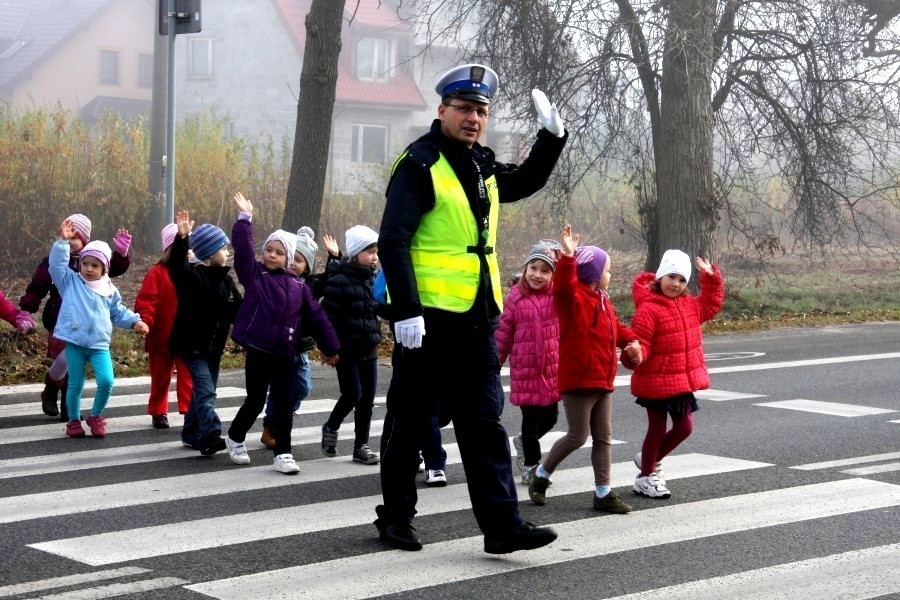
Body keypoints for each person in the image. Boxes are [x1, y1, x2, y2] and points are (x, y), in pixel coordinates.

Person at [375, 63, 567, 554]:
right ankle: (395, 517)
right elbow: (393, 242)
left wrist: (552, 137)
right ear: (442, 111)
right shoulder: (418, 164)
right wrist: (406, 313)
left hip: (477, 317)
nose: (473, 118)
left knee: (483, 422)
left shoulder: (482, 165)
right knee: (410, 421)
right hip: (427, 321)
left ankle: (502, 525)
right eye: (463, 108)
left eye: (481, 110)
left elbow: (522, 182)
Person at [527, 225, 642, 513]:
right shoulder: (573, 299)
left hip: (603, 380)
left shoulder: (604, 301)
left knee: (604, 438)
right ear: (593, 274)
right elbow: (563, 286)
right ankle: (541, 476)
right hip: (578, 380)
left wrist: (632, 341)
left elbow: (616, 328)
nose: (611, 275)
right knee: (577, 436)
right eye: (608, 271)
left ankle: (603, 493)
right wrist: (567, 257)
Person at [225, 193, 339, 474]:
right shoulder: (255, 275)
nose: (272, 255)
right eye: (269, 250)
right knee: (255, 400)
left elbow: (318, 318)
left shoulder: (299, 288)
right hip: (259, 351)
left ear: (288, 258)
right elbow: (241, 250)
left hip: (285, 353)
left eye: (279, 252)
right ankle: (235, 437)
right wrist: (244, 219)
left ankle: (283, 454)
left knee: (285, 405)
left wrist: (331, 347)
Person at [626, 249, 724, 499]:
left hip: (680, 381)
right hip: (655, 380)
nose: (676, 284)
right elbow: (643, 343)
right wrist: (636, 354)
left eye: (682, 280)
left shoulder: (690, 306)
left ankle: (650, 459)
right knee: (656, 429)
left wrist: (711, 278)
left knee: (685, 427)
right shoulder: (649, 308)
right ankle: (645, 477)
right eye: (671, 277)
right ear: (659, 277)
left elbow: (711, 304)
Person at [19, 214, 131, 420]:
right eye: (67, 237)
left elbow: (110, 267)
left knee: (72, 364)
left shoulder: (91, 261)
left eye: (74, 238)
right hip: (59, 319)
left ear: (84, 240)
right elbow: (39, 284)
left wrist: (122, 255)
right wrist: (27, 308)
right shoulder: (55, 259)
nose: (70, 242)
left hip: (85, 324)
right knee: (64, 362)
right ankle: (51, 391)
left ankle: (68, 407)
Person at [48, 223, 148, 438]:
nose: (89, 269)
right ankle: (74, 421)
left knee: (107, 381)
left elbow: (118, 313)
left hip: (99, 345)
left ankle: (96, 416)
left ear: (105, 269)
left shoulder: (109, 290)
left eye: (95, 265)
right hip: (75, 342)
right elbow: (56, 267)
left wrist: (135, 322)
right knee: (75, 383)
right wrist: (62, 243)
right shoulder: (70, 282)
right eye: (85, 263)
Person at [168, 211, 242, 456]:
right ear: (211, 253)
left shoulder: (226, 282)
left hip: (213, 349)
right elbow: (177, 268)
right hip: (191, 346)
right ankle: (210, 434)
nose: (227, 252)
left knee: (204, 389)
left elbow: (239, 312)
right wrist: (182, 240)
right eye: (223, 248)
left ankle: (191, 432)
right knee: (206, 390)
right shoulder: (193, 276)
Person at [495, 239, 562, 485]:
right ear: (525, 269)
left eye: (545, 271)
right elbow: (503, 333)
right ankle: (531, 468)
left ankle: (523, 442)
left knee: (551, 418)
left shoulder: (556, 297)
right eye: (533, 268)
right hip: (526, 371)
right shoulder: (515, 298)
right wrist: (496, 360)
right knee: (530, 420)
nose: (538, 275)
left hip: (552, 369)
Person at [319, 225, 382, 466]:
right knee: (353, 394)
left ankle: (361, 446)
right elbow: (328, 317)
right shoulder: (340, 280)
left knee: (367, 399)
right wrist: (328, 348)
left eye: (376, 251)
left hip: (370, 347)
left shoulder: (374, 278)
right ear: (355, 253)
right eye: (369, 251)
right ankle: (331, 426)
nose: (374, 256)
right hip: (345, 350)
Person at [260, 226, 320, 449]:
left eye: (300, 260)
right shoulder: (279, 281)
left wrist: (334, 257)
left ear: (307, 268)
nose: (294, 263)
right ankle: (271, 426)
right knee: (278, 390)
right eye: (292, 258)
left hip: (301, 348)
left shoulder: (309, 286)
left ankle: (285, 413)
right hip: (281, 349)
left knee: (303, 387)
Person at [135, 223, 193, 429]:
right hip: (161, 335)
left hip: (186, 336)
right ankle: (158, 411)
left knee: (188, 376)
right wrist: (145, 321)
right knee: (160, 377)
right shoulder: (157, 273)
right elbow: (147, 300)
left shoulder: (191, 272)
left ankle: (189, 410)